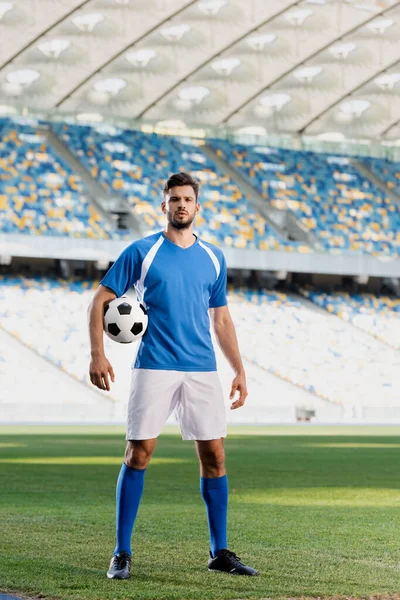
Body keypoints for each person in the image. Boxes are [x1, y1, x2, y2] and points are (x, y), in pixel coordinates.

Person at [88, 172, 258, 580]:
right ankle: (122, 552)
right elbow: (100, 299)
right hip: (155, 365)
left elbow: (220, 319)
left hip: (202, 369)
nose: (181, 205)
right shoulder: (142, 251)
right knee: (138, 453)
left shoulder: (214, 257)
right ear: (163, 206)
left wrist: (239, 370)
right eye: (174, 199)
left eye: (188, 199)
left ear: (197, 207)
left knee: (214, 456)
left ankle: (219, 552)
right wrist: (98, 354)